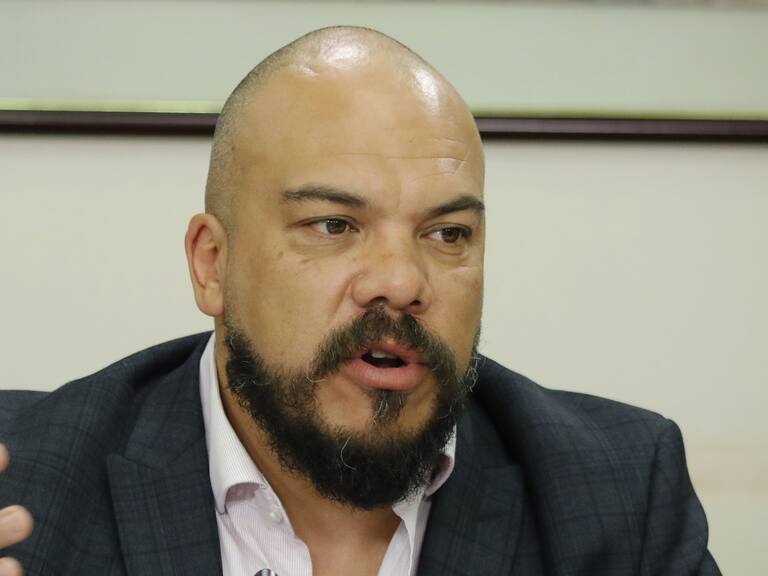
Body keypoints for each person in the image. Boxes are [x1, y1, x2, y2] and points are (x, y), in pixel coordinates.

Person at [0, 26, 719, 576]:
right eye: (335, 226)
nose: (402, 282)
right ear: (212, 264)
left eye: (447, 233)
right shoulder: (21, 482)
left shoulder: (619, 494)